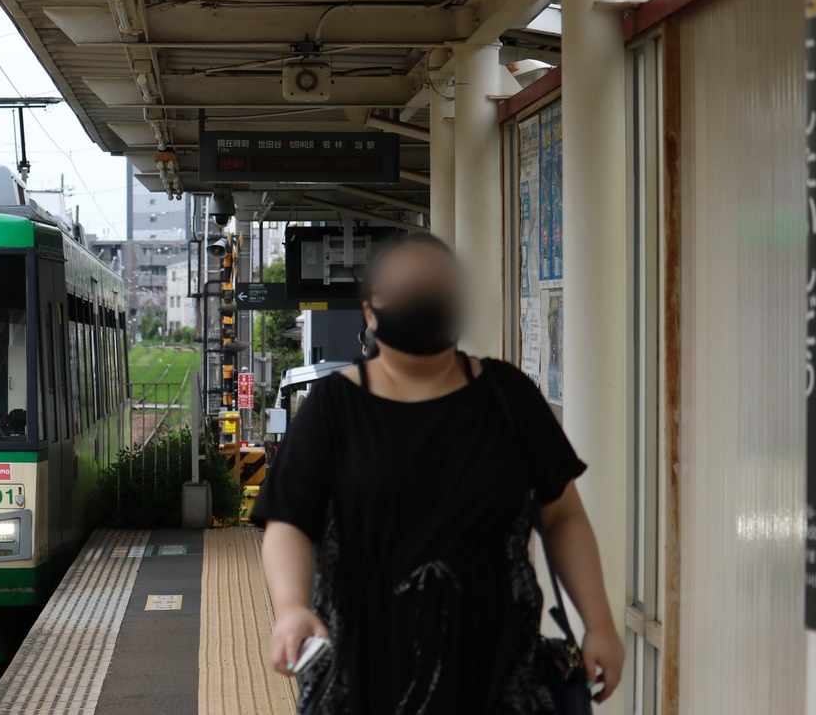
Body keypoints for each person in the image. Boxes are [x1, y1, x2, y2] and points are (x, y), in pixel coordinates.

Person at [251, 233, 624, 715]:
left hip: (500, 677)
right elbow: (289, 523)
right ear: (369, 312)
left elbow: (563, 515)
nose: (423, 303)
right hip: (361, 678)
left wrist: (599, 623)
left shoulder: (507, 397)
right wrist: (290, 608)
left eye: (437, 291)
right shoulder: (334, 408)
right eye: (406, 293)